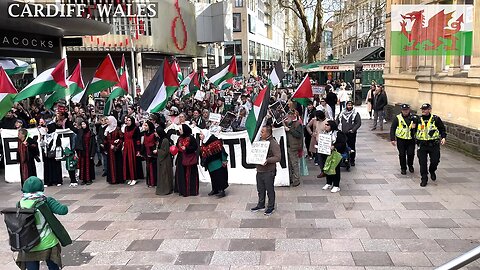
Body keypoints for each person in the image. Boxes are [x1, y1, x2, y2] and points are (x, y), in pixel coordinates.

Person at [15, 176, 68, 270]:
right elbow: (63, 210)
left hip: (28, 243)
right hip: (48, 242)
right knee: (53, 266)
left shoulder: (19, 204)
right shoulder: (46, 201)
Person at [250, 125, 281, 216]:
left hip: (269, 171)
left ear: (268, 133)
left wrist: (267, 160)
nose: (261, 133)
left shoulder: (273, 143)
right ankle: (261, 204)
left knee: (269, 189)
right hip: (260, 170)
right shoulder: (260, 141)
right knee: (260, 189)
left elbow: (278, 157)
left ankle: (271, 207)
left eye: (262, 132)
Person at [415, 103, 446, 187]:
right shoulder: (418, 119)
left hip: (433, 144)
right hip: (422, 144)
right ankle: (424, 179)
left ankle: (432, 170)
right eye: (422, 109)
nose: (423, 111)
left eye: (425, 109)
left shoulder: (435, 119)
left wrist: (443, 137)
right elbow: (413, 130)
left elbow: (442, 129)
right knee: (423, 163)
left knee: (435, 161)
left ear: (429, 110)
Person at [199, 129, 229, 197]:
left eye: (201, 134)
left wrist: (224, 160)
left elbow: (222, 151)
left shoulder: (216, 141)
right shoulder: (204, 142)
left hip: (217, 163)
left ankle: (221, 190)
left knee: (219, 176)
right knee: (213, 176)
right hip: (210, 164)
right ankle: (215, 189)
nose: (200, 136)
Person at [390, 104, 417, 175]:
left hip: (411, 140)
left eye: (407, 110)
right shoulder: (397, 118)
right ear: (401, 110)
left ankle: (410, 165)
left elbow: (419, 127)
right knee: (402, 154)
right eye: (404, 110)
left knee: (411, 154)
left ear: (409, 110)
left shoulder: (414, 117)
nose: (405, 111)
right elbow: (393, 128)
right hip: (401, 140)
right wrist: (392, 139)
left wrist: (415, 127)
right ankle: (403, 168)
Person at [322, 120, 347, 193]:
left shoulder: (338, 134)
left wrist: (334, 146)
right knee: (327, 168)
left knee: (335, 169)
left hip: (335, 154)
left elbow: (342, 143)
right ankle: (329, 183)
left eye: (327, 125)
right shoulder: (324, 133)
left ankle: (336, 185)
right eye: (325, 125)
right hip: (326, 154)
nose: (325, 126)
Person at [175, 124, 199, 197]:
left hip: (189, 159)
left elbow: (195, 147)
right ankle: (183, 191)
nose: (179, 131)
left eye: (180, 129)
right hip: (181, 158)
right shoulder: (179, 138)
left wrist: (187, 149)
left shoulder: (191, 138)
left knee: (189, 175)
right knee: (181, 174)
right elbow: (177, 146)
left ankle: (190, 191)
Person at [336, 101, 361, 166]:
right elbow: (337, 121)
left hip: (351, 133)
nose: (349, 106)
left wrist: (353, 130)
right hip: (342, 133)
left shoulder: (355, 114)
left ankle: (352, 160)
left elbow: (358, 123)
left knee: (351, 146)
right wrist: (336, 128)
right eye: (348, 105)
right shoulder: (341, 113)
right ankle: (344, 159)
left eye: (351, 105)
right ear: (346, 105)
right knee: (343, 146)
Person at [284, 107, 303, 187]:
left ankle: (296, 180)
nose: (288, 117)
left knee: (294, 164)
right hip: (288, 146)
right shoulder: (288, 123)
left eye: (289, 116)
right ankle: (291, 178)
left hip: (294, 146)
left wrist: (289, 130)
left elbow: (299, 135)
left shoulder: (298, 124)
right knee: (289, 164)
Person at [122, 116, 144, 186]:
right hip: (126, 147)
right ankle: (130, 178)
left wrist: (138, 150)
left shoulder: (136, 128)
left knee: (132, 162)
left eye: (129, 120)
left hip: (132, 147)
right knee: (127, 162)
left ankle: (134, 178)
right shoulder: (125, 128)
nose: (127, 122)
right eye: (127, 120)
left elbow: (138, 140)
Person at [74, 119, 96, 185]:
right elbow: (78, 141)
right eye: (82, 124)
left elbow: (93, 144)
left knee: (89, 165)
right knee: (82, 166)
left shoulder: (90, 133)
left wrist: (92, 154)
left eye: (84, 124)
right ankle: (83, 179)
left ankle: (89, 179)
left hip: (88, 151)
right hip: (82, 151)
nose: (83, 126)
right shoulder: (80, 132)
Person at [41, 122, 63, 187]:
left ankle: (57, 181)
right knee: (48, 168)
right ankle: (48, 181)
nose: (46, 129)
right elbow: (42, 145)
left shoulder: (56, 136)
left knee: (56, 167)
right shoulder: (45, 136)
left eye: (47, 128)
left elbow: (58, 144)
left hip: (54, 155)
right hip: (47, 155)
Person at [104, 116, 124, 184]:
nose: (107, 121)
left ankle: (118, 179)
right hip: (110, 150)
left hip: (116, 151)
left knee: (117, 163)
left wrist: (116, 146)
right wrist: (106, 145)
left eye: (108, 120)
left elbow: (121, 139)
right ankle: (112, 179)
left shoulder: (117, 129)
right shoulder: (107, 129)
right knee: (110, 163)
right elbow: (105, 139)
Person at [155, 126, 174, 195]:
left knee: (165, 174)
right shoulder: (161, 139)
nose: (155, 133)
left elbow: (165, 151)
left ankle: (165, 189)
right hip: (161, 160)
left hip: (165, 160)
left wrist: (157, 151)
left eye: (156, 132)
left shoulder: (165, 140)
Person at [142, 121, 158, 187]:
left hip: (153, 153)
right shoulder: (145, 134)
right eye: (144, 125)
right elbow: (144, 143)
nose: (144, 127)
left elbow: (156, 143)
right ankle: (149, 182)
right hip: (146, 152)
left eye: (146, 125)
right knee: (148, 167)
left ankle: (154, 182)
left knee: (153, 168)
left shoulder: (154, 134)